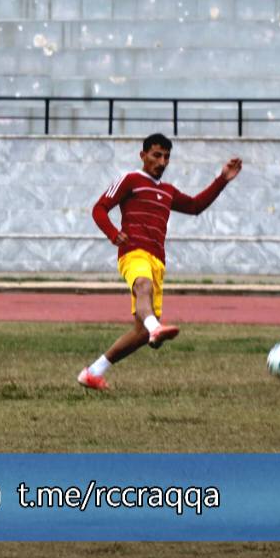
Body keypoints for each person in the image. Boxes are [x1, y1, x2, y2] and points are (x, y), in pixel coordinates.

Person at [78, 133, 243, 390]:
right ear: (142, 155)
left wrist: (222, 179)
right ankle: (155, 327)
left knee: (141, 333)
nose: (162, 162)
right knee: (142, 286)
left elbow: (195, 206)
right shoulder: (130, 180)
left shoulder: (167, 191)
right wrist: (113, 233)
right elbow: (99, 208)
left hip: (157, 261)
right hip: (133, 252)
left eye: (166, 157)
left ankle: (93, 372)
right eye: (156, 155)